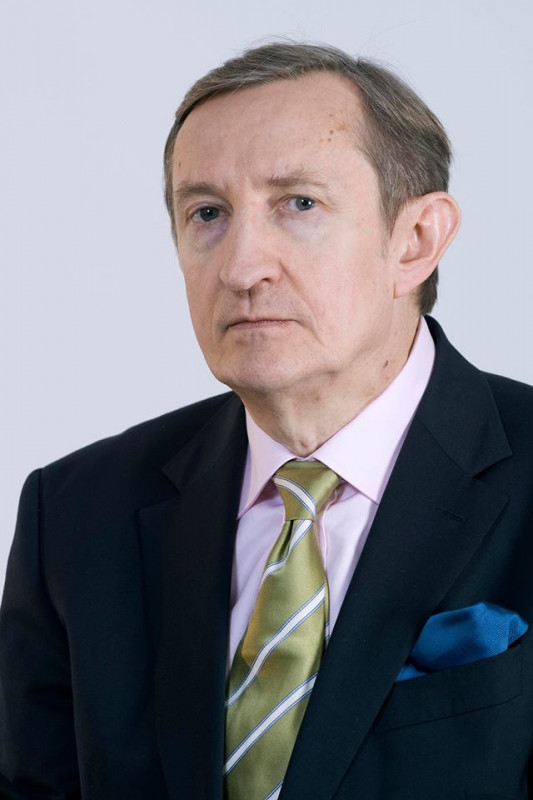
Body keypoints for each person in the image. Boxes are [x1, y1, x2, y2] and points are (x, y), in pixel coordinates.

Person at [1, 41, 532, 800]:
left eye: (299, 204)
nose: (242, 267)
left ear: (415, 241)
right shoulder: (76, 514)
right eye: (207, 213)